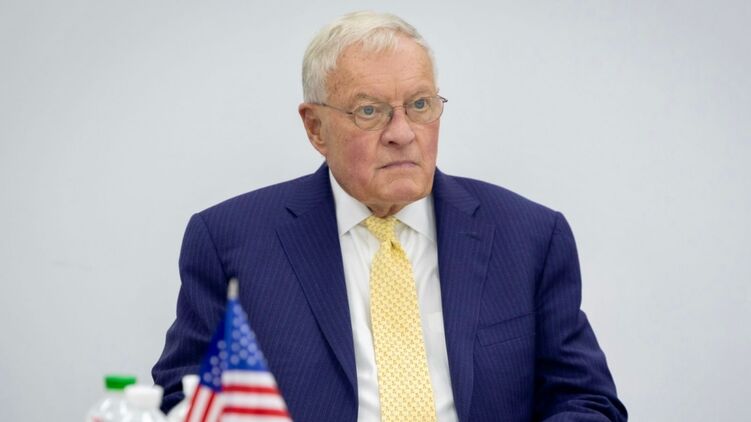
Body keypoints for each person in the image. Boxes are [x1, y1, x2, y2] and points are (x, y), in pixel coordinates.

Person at [153, 11, 627, 422]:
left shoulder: (528, 238)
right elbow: (182, 398)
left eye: (420, 105)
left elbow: (586, 400)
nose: (402, 133)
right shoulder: (231, 241)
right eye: (370, 111)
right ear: (315, 128)